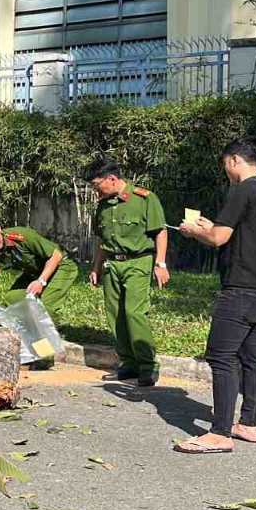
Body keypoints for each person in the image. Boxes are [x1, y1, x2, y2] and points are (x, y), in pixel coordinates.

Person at [175, 136, 256, 454]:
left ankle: (220, 432)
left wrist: (196, 231)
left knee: (221, 357)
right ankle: (249, 424)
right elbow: (243, 235)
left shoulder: (242, 190)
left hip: (241, 289)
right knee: (252, 356)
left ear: (234, 160)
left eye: (225, 164)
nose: (226, 170)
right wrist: (211, 227)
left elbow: (218, 239)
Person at [85, 158, 169, 387]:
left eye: (97, 185)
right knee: (115, 314)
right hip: (112, 265)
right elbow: (103, 240)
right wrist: (96, 267)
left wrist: (160, 264)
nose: (95, 191)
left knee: (134, 313)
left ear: (112, 179)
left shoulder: (145, 199)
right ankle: (129, 363)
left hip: (138, 262)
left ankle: (148, 365)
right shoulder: (103, 205)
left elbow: (160, 232)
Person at [0, 217, 79, 334]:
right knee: (12, 299)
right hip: (34, 272)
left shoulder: (21, 235)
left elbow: (56, 255)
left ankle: (48, 335)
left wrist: (41, 282)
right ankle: (26, 328)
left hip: (61, 265)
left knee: (44, 307)